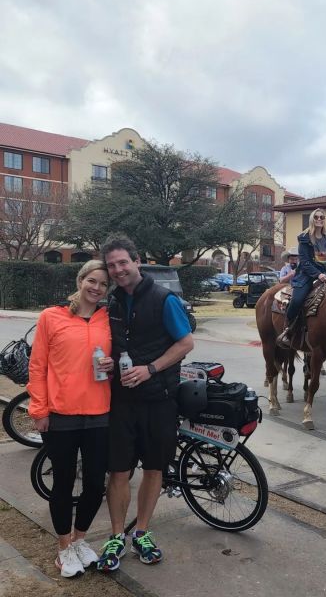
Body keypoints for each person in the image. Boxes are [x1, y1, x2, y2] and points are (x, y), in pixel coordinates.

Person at [97, 234, 194, 572]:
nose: (118, 270)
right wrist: (109, 362)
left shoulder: (163, 298)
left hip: (159, 401)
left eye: (123, 262)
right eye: (112, 266)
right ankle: (115, 536)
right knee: (119, 470)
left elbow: (185, 343)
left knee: (154, 468)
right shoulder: (111, 303)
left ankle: (141, 532)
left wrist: (150, 369)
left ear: (137, 261)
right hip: (122, 401)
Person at [27, 260, 114, 578]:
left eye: (104, 284)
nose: (97, 288)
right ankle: (63, 549)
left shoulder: (108, 320)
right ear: (80, 281)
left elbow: (117, 361)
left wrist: (113, 366)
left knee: (94, 485)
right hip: (60, 415)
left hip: (99, 415)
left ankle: (79, 540)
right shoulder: (52, 317)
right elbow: (37, 367)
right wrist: (39, 410)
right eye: (92, 281)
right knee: (63, 484)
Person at [277, 208, 326, 348]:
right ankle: (287, 330)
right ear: (312, 219)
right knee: (297, 300)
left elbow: (325, 261)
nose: (319, 219)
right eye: (316, 217)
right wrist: (318, 274)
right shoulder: (304, 238)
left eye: (322, 217)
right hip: (306, 275)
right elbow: (304, 261)